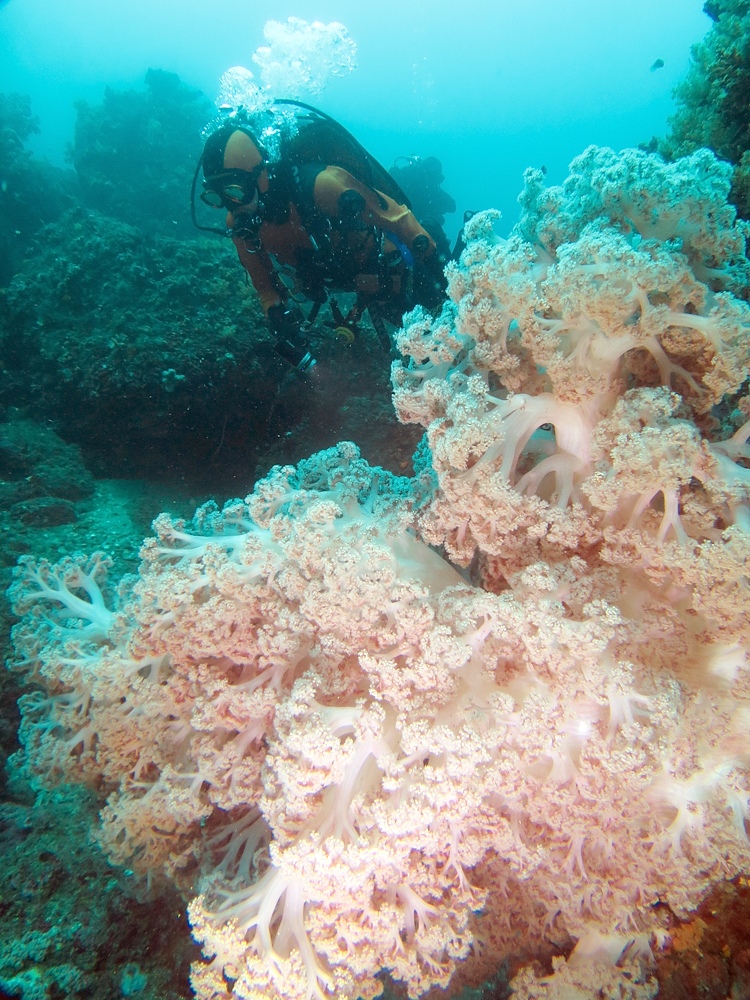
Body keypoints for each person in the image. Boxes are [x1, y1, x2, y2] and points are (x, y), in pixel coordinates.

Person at [194, 102, 448, 372]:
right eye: (216, 197)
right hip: (358, 284)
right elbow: (266, 287)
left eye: (235, 191)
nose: (232, 206)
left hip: (393, 271)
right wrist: (278, 318)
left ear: (260, 176)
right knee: (422, 342)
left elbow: (399, 220)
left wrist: (440, 271)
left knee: (441, 326)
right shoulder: (240, 225)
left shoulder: (322, 186)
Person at [388, 155, 457, 259]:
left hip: (418, 228)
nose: (434, 181)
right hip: (397, 221)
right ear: (425, 171)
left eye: (437, 179)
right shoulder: (409, 176)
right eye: (433, 176)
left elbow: (452, 206)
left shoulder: (432, 189)